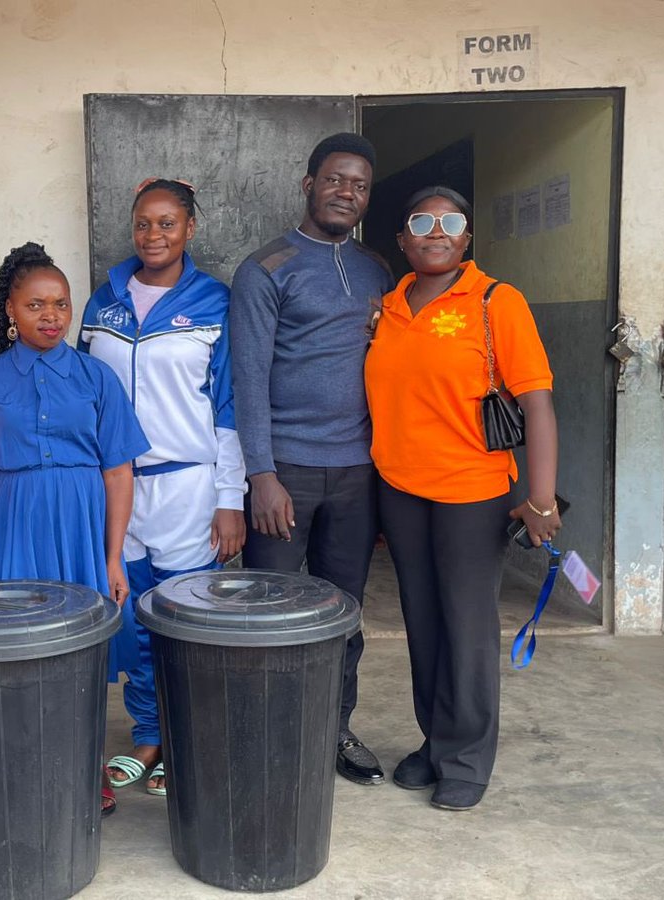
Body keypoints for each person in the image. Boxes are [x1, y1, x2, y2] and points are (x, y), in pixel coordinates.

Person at [0, 242, 150, 815]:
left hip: (80, 523)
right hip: (8, 523)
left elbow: (119, 472)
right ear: (11, 310)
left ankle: (83, 772)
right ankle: (17, 771)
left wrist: (112, 556)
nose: (50, 316)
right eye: (35, 305)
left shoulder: (96, 378)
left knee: (81, 651)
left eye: (60, 304)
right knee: (10, 646)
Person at [364, 186, 559, 811]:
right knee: (423, 624)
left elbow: (536, 402)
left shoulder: (497, 300)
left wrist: (543, 499)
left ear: (467, 237)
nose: (437, 230)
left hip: (473, 492)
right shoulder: (390, 306)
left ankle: (468, 757)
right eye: (422, 220)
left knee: (467, 626)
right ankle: (437, 740)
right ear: (402, 239)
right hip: (401, 491)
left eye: (451, 221)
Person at [229, 132, 392, 786]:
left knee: (343, 611)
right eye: (334, 180)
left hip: (356, 473)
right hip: (286, 474)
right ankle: (268, 737)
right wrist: (262, 476)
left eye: (357, 185)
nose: (345, 192)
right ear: (308, 183)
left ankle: (333, 729)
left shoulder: (379, 269)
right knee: (272, 610)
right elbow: (249, 377)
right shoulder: (266, 268)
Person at [79, 178, 246, 798]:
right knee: (132, 620)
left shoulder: (214, 302)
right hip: (118, 487)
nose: (154, 236)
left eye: (168, 224)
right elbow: (84, 395)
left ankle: (185, 739)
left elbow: (226, 406)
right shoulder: (103, 303)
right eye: (143, 224)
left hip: (188, 486)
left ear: (190, 229)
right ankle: (147, 735)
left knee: (185, 619)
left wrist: (231, 499)